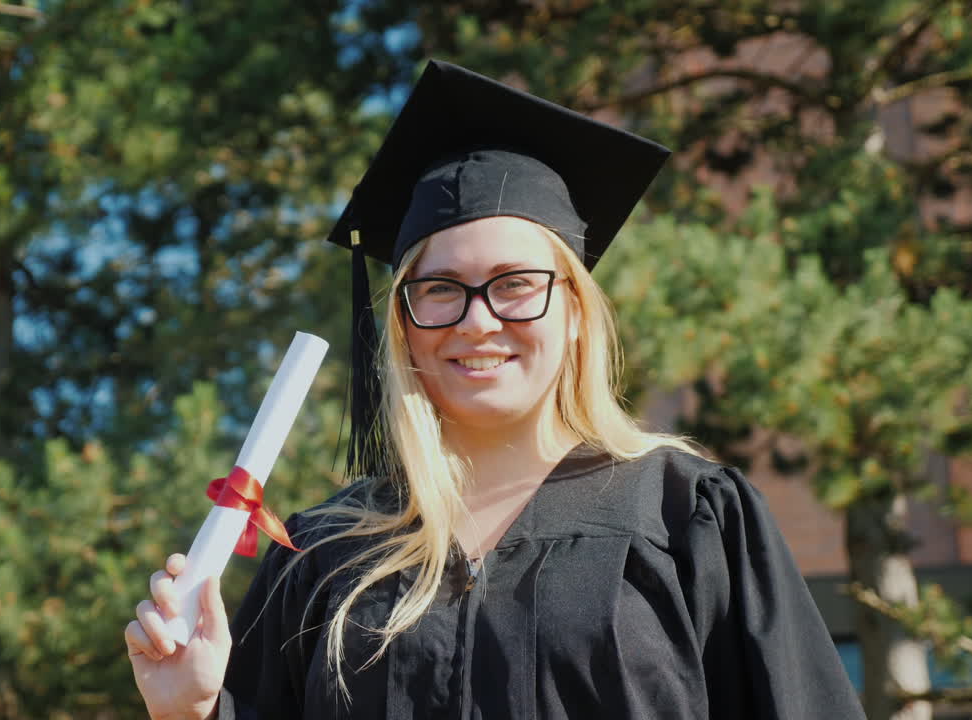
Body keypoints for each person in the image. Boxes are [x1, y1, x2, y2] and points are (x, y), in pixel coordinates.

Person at [125, 59, 866, 720]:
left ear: (575, 312)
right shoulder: (321, 554)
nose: (478, 323)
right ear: (402, 323)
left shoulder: (690, 521)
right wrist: (190, 712)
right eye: (440, 289)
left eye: (516, 285)